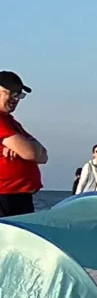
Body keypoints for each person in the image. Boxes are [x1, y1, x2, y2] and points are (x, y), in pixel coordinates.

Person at [0, 71, 44, 217]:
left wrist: (25, 147)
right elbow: (31, 153)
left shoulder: (12, 123)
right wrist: (25, 148)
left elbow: (43, 155)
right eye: (11, 93)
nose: (16, 98)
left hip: (18, 197)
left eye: (19, 95)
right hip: (5, 197)